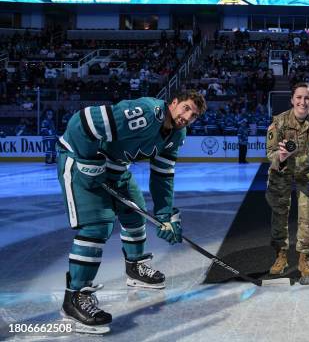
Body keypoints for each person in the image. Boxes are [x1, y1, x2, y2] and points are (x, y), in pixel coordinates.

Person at [56, 90, 206, 334]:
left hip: (115, 168)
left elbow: (163, 175)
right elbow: (83, 121)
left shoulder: (177, 135)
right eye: (186, 108)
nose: (187, 117)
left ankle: (135, 266)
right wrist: (86, 159)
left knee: (135, 213)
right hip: (80, 161)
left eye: (194, 115)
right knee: (96, 226)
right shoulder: (147, 113)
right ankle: (74, 298)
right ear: (174, 102)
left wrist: (165, 215)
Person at [265, 82, 309, 278]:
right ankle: (280, 255)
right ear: (292, 99)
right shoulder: (278, 122)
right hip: (281, 173)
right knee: (279, 214)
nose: (303, 102)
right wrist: (280, 157)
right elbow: (270, 153)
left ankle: (304, 259)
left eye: (307, 98)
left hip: (308, 173)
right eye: (299, 97)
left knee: (306, 217)